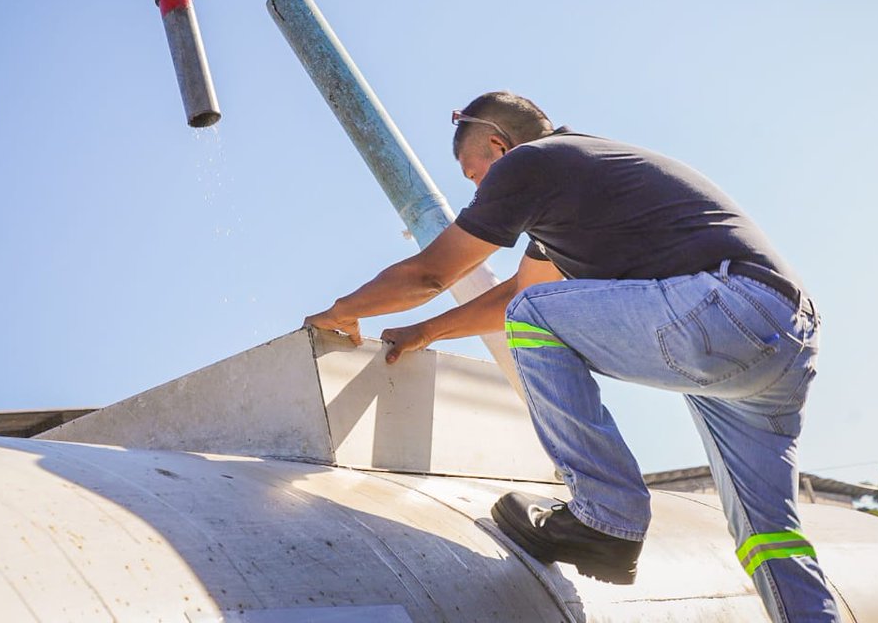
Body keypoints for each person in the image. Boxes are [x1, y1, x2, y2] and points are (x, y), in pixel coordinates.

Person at [304, 91, 839, 622]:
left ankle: (606, 516)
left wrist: (343, 310)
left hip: (726, 308)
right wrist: (425, 332)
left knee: (536, 314)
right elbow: (523, 292)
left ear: (499, 144)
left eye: (473, 175)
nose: (477, 189)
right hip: (782, 338)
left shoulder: (534, 161)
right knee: (767, 535)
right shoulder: (583, 176)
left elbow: (433, 274)